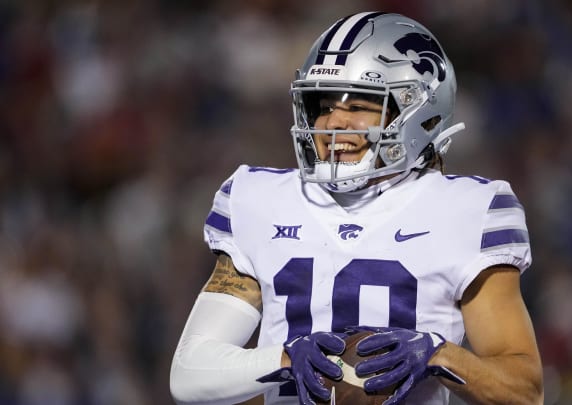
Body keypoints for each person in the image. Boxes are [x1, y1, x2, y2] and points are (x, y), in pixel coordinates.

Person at [170, 11, 543, 405]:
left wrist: (438, 355)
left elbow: (523, 390)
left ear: (418, 112)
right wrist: (285, 358)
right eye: (323, 104)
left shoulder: (469, 210)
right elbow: (190, 374)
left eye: (360, 105)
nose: (334, 122)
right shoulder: (258, 199)